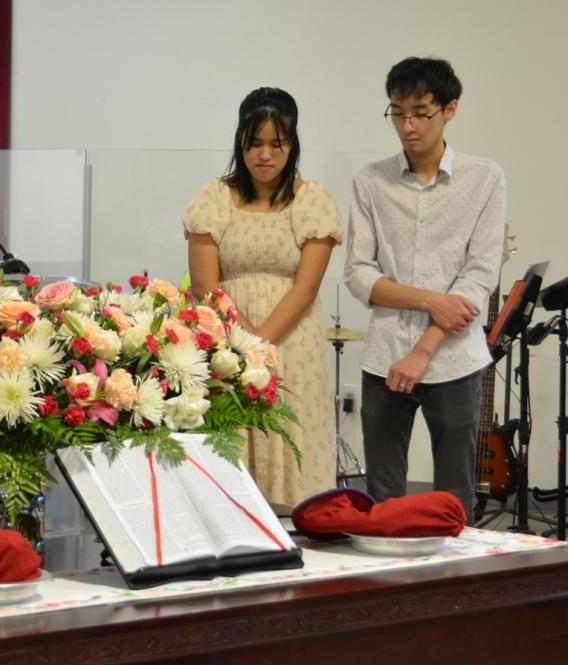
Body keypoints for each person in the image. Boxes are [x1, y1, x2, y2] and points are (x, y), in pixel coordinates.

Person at [344, 57, 506, 521]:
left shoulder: (485, 178)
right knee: (383, 498)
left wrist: (422, 350)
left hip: (453, 358)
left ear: (450, 109)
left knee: (455, 500)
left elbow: (480, 276)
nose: (407, 126)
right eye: (397, 113)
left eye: (420, 113)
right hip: (384, 357)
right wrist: (431, 299)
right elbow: (358, 273)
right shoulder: (370, 180)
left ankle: (457, 571)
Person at [183, 87, 343, 507]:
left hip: (293, 346)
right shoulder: (213, 198)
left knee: (294, 450)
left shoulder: (312, 201)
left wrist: (259, 344)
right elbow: (205, 287)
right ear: (240, 141)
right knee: (230, 456)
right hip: (225, 346)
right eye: (255, 143)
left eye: (277, 144)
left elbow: (307, 287)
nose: (265, 155)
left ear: (293, 144)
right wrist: (244, 346)